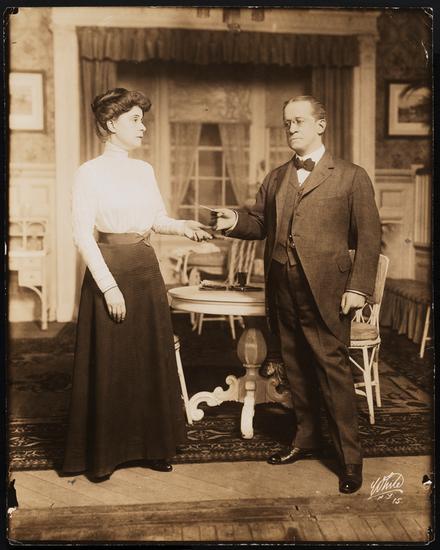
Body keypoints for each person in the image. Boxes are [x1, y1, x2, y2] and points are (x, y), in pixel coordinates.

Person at [213, 95, 381, 494]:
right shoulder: (275, 177)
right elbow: (260, 224)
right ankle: (306, 440)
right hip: (282, 288)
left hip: (328, 291)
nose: (291, 128)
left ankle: (349, 460)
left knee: (332, 372)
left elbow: (369, 237)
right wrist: (233, 221)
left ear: (321, 125)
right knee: (295, 367)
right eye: (287, 122)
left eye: (299, 121)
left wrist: (358, 287)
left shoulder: (351, 176)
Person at [62, 88, 212, 482]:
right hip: (110, 271)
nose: (143, 127)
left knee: (149, 359)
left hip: (146, 271)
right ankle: (105, 455)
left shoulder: (144, 170)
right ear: (111, 124)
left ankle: (153, 446)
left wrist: (182, 226)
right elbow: (82, 235)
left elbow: (156, 219)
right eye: (135, 120)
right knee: (112, 363)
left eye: (142, 120)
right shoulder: (89, 172)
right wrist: (109, 287)